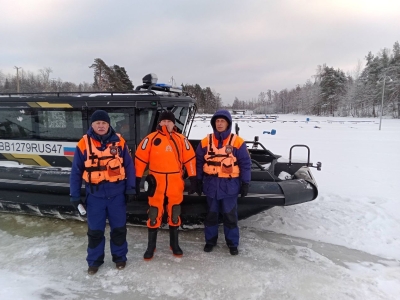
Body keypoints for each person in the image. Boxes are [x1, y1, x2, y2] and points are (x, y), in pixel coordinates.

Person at [69, 110, 136, 275]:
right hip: (95, 197)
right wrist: (74, 195)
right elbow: (76, 172)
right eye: (97, 123)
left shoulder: (119, 142)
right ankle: (94, 261)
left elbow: (129, 166)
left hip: (117, 195)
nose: (101, 126)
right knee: (95, 231)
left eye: (104, 123)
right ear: (92, 125)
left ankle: (120, 258)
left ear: (108, 125)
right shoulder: (83, 144)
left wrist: (131, 188)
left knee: (119, 229)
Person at [135, 110, 197, 260]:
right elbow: (140, 158)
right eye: (164, 121)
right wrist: (137, 178)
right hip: (156, 182)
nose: (166, 124)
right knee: (154, 213)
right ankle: (151, 246)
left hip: (175, 181)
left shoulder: (181, 139)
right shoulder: (150, 139)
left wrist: (193, 178)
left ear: (173, 123)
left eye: (169, 121)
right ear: (159, 123)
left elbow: (190, 159)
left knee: (175, 212)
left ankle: (174, 244)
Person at [195, 110, 251, 255]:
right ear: (214, 123)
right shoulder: (205, 141)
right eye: (217, 121)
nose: (219, 124)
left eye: (222, 121)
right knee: (211, 216)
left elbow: (245, 163)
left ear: (228, 123)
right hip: (211, 185)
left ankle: (232, 243)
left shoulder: (237, 142)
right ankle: (210, 241)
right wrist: (198, 180)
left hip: (230, 187)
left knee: (230, 216)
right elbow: (199, 162)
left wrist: (246, 183)